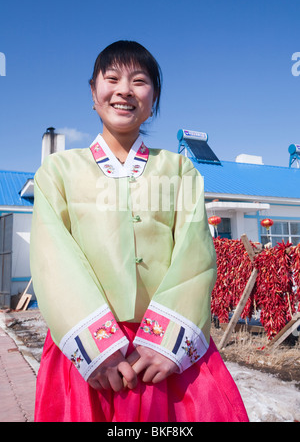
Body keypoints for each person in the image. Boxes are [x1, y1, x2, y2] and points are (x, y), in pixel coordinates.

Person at [30, 40, 249, 422]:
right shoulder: (58, 171)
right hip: (90, 357)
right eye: (111, 78)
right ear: (93, 93)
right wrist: (97, 349)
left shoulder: (180, 171)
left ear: (154, 98)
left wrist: (165, 345)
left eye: (139, 81)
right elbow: (53, 259)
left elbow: (195, 257)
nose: (124, 90)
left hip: (163, 355)